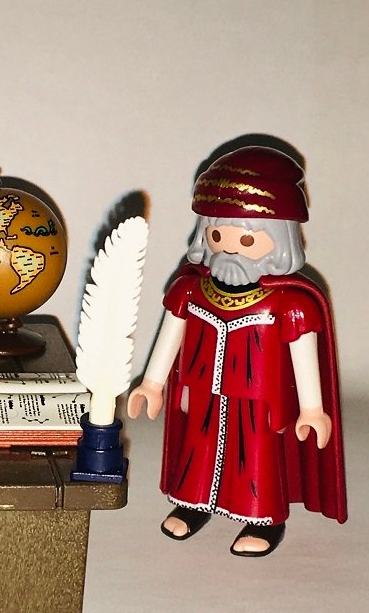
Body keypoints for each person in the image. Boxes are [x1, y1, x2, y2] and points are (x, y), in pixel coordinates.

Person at [128, 146, 345, 557]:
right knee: (198, 450)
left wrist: (312, 410)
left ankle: (264, 520)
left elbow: (303, 354)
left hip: (260, 400)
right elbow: (171, 333)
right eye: (217, 236)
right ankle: (193, 505)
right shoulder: (191, 289)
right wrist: (152, 384)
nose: (229, 249)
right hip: (202, 392)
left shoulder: (290, 303)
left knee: (256, 457)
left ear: (279, 240)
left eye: (246, 239)